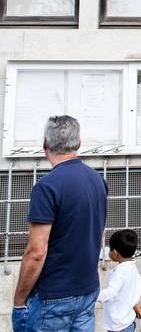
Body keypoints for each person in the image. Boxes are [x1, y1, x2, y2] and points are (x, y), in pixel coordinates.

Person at [12, 115, 108, 331]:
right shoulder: (98, 180)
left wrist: (19, 300)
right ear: (79, 143)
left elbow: (36, 252)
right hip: (88, 289)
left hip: (53, 295)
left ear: (45, 143)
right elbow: (99, 234)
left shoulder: (46, 187)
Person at [98, 229, 141, 332]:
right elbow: (137, 290)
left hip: (118, 326)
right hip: (128, 322)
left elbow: (110, 293)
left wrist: (93, 295)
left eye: (110, 249)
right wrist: (135, 304)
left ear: (114, 253)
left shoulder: (120, 272)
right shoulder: (133, 268)